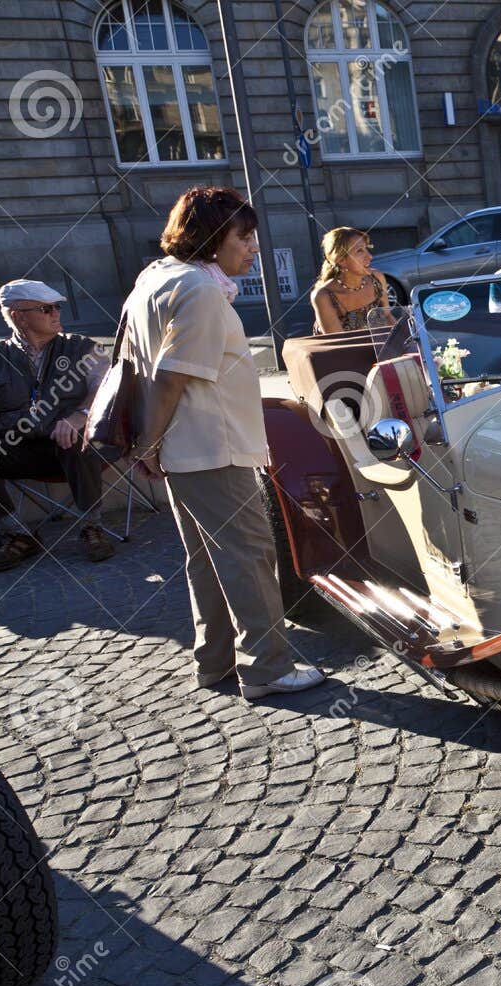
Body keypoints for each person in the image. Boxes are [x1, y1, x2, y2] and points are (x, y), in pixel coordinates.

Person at [125, 186, 326, 700]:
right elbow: (171, 377)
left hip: (185, 449)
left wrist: (151, 446)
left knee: (208, 560)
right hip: (211, 446)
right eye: (244, 236)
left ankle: (214, 663)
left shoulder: (156, 277)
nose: (254, 247)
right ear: (213, 238)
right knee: (248, 556)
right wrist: (147, 445)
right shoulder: (199, 289)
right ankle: (267, 669)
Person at [0, 279, 114, 569]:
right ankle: (19, 534)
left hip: (79, 448)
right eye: (46, 309)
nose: (56, 314)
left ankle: (92, 527)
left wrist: (79, 415)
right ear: (18, 316)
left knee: (75, 438)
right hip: (24, 449)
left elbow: (108, 388)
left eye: (57, 307)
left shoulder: (82, 348)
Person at [310, 227, 389, 334]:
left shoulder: (377, 278)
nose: (370, 256)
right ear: (341, 260)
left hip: (377, 344)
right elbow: (340, 341)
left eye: (366, 248)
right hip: (347, 345)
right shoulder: (323, 296)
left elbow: (387, 317)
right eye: (359, 251)